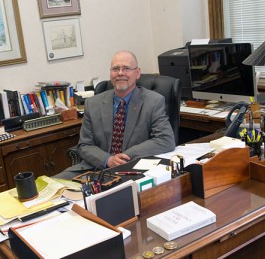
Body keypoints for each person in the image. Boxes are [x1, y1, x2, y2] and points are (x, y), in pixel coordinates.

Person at [54, 50, 175, 179]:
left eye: (126, 68)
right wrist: (108, 159)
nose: (120, 73)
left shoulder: (153, 101)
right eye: (115, 68)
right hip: (95, 167)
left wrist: (125, 156)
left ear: (137, 72)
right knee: (51, 186)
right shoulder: (93, 103)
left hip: (132, 168)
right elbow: (84, 145)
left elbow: (165, 140)